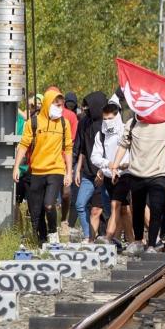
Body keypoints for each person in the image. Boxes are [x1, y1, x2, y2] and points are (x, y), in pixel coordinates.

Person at [13, 87, 73, 245]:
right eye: (56, 104)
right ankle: (42, 241)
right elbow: (24, 145)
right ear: (47, 104)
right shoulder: (32, 122)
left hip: (56, 170)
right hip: (37, 171)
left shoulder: (63, 123)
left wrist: (69, 172)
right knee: (36, 211)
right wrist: (16, 167)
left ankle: (53, 233)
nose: (60, 108)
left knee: (49, 204)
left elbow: (67, 149)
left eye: (61, 105)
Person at [111, 112, 165, 252]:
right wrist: (115, 166)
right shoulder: (132, 123)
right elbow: (123, 145)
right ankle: (139, 241)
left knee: (156, 209)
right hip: (137, 173)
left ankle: (152, 244)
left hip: (158, 173)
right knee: (138, 210)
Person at [93, 101, 135, 247]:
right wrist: (107, 165)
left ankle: (108, 236)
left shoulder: (126, 130)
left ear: (117, 116)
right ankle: (132, 241)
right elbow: (95, 156)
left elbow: (133, 152)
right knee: (124, 210)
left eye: (110, 118)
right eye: (105, 119)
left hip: (125, 173)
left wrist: (124, 164)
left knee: (115, 205)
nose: (107, 122)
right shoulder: (101, 135)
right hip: (109, 176)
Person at [72, 92, 111, 242]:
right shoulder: (84, 123)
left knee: (105, 210)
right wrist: (77, 169)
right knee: (80, 204)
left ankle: (111, 236)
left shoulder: (106, 123)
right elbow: (81, 148)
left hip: (104, 174)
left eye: (89, 106)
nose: (86, 109)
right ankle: (89, 236)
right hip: (88, 173)